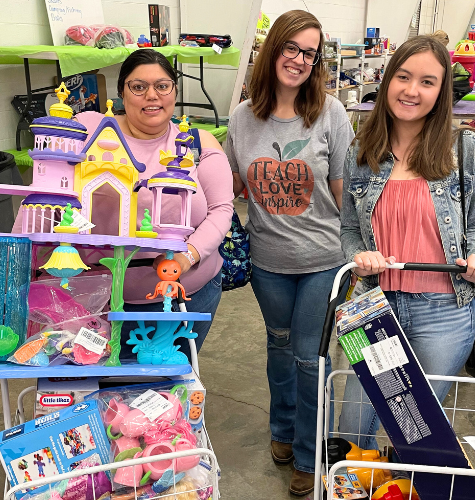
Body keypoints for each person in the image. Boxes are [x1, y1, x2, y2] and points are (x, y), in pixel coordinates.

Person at [15, 49, 233, 360]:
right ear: (122, 92)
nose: (151, 96)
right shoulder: (89, 131)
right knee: (97, 395)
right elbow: (47, 190)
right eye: (138, 86)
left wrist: (184, 259)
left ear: (174, 89)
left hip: (183, 296)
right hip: (91, 302)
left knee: (164, 393)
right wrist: (27, 265)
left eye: (162, 85)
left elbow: (222, 210)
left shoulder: (197, 144)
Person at [338, 35, 475, 450]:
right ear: (388, 79)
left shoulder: (465, 147)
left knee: (415, 429)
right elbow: (348, 228)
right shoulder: (360, 149)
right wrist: (358, 256)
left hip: (445, 314)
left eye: (427, 82)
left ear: (441, 92)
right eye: (403, 77)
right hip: (374, 306)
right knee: (352, 424)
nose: (411, 90)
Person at [226, 10, 354, 496]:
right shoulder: (242, 117)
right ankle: (281, 430)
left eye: (310, 52)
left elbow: (344, 191)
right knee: (279, 348)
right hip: (267, 263)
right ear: (273, 48)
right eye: (292, 48)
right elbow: (234, 185)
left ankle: (308, 452)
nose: (300, 60)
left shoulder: (330, 112)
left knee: (309, 358)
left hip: (323, 260)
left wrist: (357, 255)